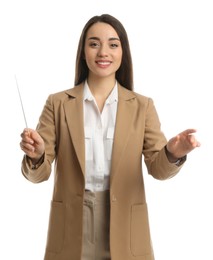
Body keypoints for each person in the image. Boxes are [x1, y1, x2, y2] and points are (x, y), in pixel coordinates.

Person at [20, 14, 200, 260]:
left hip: (125, 226)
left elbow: (158, 170)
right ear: (83, 52)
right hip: (72, 224)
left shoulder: (142, 106)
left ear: (122, 52)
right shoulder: (58, 103)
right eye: (94, 43)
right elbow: (38, 175)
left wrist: (173, 153)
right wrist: (37, 155)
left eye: (113, 45)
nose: (103, 52)